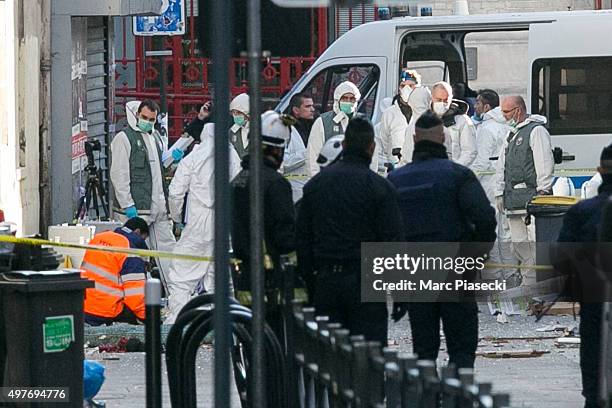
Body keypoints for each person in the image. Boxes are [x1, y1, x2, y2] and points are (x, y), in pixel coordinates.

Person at [387, 111, 496, 369]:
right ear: (443, 138)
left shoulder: (396, 180)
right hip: (454, 271)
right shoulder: (458, 176)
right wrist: (474, 261)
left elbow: (387, 237)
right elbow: (485, 220)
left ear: (414, 139)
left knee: (423, 351)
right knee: (461, 349)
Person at [297, 116, 403, 345]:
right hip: (368, 283)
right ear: (372, 147)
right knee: (370, 356)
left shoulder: (316, 186)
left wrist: (310, 281)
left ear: (344, 146)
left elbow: (302, 239)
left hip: (327, 280)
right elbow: (393, 243)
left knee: (328, 358)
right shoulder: (380, 188)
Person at [164, 123, 241, 324]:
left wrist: (176, 218)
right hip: (226, 221)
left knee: (183, 273)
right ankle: (223, 323)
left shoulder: (194, 158)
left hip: (198, 221)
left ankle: (176, 321)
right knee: (221, 276)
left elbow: (175, 192)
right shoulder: (232, 156)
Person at [556, 144, 612, 408]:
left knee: (592, 349)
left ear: (600, 171)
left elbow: (563, 258)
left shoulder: (581, 212)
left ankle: (592, 397)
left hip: (594, 297)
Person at [231, 112, 297, 332]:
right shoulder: (276, 184)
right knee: (274, 348)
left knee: (250, 341)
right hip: (271, 280)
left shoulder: (238, 181)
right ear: (276, 149)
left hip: (244, 277)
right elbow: (285, 236)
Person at [110, 99, 179, 290]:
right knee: (137, 256)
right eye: (145, 118)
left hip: (157, 206)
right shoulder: (124, 139)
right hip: (137, 208)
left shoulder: (154, 136)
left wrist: (173, 158)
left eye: (152, 119)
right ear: (135, 115)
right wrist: (127, 205)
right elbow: (119, 174)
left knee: (168, 251)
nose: (148, 122)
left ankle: (176, 293)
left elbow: (158, 167)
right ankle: (138, 296)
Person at [495, 95, 554, 286]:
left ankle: (538, 287)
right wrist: (499, 192)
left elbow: (544, 162)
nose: (503, 116)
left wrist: (543, 192)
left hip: (532, 199)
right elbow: (502, 166)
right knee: (519, 246)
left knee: (536, 245)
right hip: (513, 200)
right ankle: (529, 285)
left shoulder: (536, 131)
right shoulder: (511, 134)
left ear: (518, 110)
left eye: (506, 112)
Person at [470, 89, 518, 282]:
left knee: (495, 234)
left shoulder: (486, 128)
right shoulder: (509, 125)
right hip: (507, 184)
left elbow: (482, 162)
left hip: (489, 186)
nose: (475, 106)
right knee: (507, 232)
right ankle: (512, 276)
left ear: (487, 106)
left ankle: (496, 278)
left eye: (478, 103)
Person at [80, 217, 149, 326]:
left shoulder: (99, 237)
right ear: (137, 232)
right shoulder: (130, 251)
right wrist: (149, 318)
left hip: (82, 306)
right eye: (143, 239)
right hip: (105, 312)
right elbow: (135, 296)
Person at [306, 81, 361, 176]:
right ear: (337, 100)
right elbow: (313, 155)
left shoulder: (361, 122)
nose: (348, 101)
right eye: (344, 98)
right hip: (329, 180)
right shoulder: (322, 122)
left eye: (352, 99)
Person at [378, 69, 421, 171]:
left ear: (418, 88)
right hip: (397, 169)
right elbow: (385, 142)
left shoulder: (425, 112)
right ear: (398, 88)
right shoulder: (389, 114)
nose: (406, 89)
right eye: (403, 86)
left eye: (411, 86)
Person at [430, 81, 477, 167]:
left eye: (445, 100)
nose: (442, 103)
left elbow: (469, 151)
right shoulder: (422, 119)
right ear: (432, 97)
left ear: (451, 99)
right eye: (439, 100)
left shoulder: (462, 121)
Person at [229, 93, 251, 159]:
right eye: (233, 112)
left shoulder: (259, 130)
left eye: (238, 113)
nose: (235, 116)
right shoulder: (232, 132)